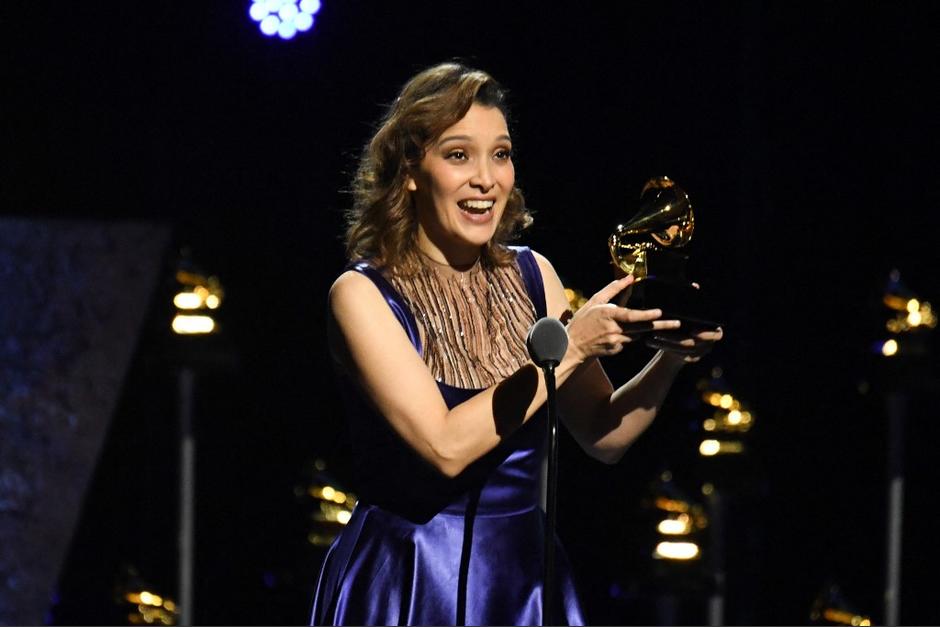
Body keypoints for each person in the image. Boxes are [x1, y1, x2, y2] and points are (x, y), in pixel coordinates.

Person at [311, 62, 722, 626]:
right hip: (412, 580)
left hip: (522, 582)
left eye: (500, 154)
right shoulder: (362, 295)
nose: (486, 179)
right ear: (410, 169)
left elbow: (605, 435)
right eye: (459, 155)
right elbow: (444, 446)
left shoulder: (534, 276)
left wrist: (670, 355)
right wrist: (572, 346)